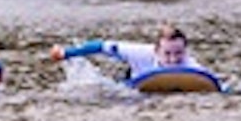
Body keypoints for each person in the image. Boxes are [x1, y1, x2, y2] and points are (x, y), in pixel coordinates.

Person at [49, 23, 206, 78]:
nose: (173, 59)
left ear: (185, 51)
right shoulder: (140, 53)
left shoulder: (191, 66)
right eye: (167, 53)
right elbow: (100, 46)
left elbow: (214, 85)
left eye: (178, 53)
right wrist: (66, 53)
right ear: (157, 51)